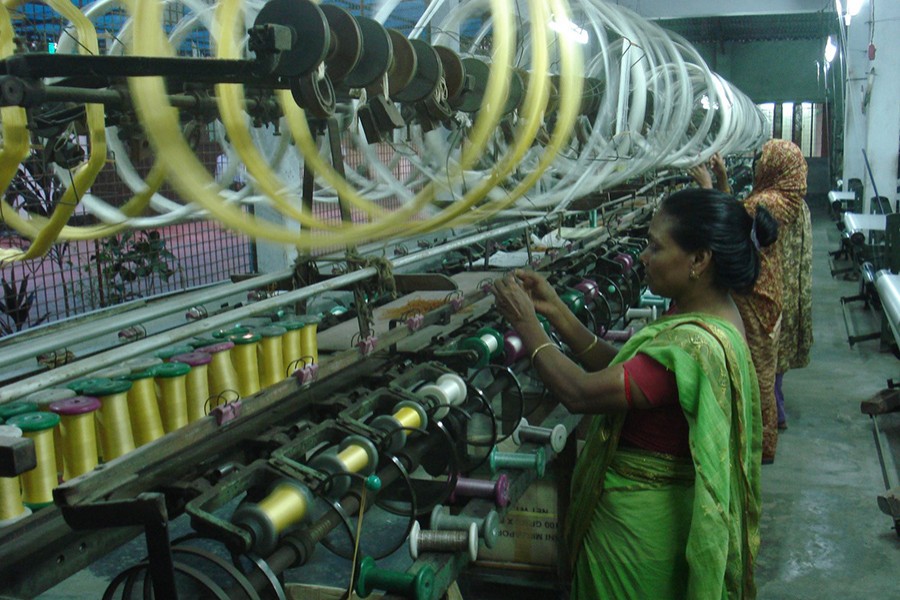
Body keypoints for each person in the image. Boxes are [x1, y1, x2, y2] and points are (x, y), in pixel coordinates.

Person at [491, 188, 775, 598]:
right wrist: (556, 311)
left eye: (656, 247)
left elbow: (580, 394)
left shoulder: (693, 345)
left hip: (638, 539)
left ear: (699, 260)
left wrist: (526, 325)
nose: (644, 257)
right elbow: (623, 370)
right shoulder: (714, 311)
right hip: (654, 517)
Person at [691, 139, 810, 454]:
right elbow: (742, 221)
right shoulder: (786, 196)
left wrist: (706, 188)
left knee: (756, 375)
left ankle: (757, 445)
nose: (757, 165)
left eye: (762, 160)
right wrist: (724, 180)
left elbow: (730, 228)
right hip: (768, 292)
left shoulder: (768, 201)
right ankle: (763, 438)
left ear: (774, 166)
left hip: (756, 296)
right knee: (764, 372)